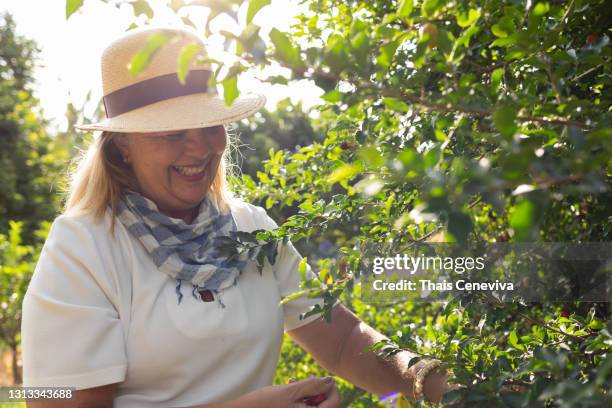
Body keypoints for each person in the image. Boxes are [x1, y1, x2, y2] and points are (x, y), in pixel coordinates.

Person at [20, 26, 457, 407]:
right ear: (122, 147)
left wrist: (443, 385)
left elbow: (342, 340)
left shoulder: (252, 229)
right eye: (173, 133)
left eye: (212, 126)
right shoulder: (83, 248)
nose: (202, 148)